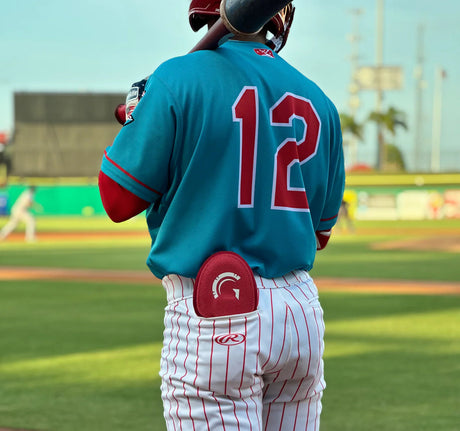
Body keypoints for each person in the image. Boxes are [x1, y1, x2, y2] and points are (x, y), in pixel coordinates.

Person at [98, 1, 345, 430]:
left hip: (216, 307)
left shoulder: (175, 78)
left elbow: (118, 202)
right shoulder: (319, 101)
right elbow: (318, 232)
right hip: (301, 316)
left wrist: (136, 120)